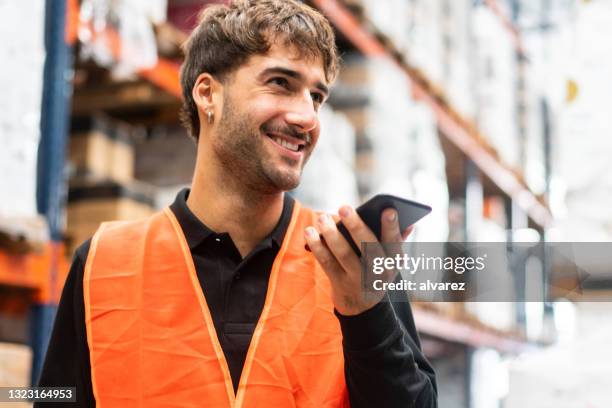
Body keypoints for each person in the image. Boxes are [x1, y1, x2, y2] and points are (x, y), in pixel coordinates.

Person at [37, 0, 437, 406]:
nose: (307, 116)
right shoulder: (103, 264)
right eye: (281, 82)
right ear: (208, 94)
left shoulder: (351, 261)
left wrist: (365, 314)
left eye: (316, 96)